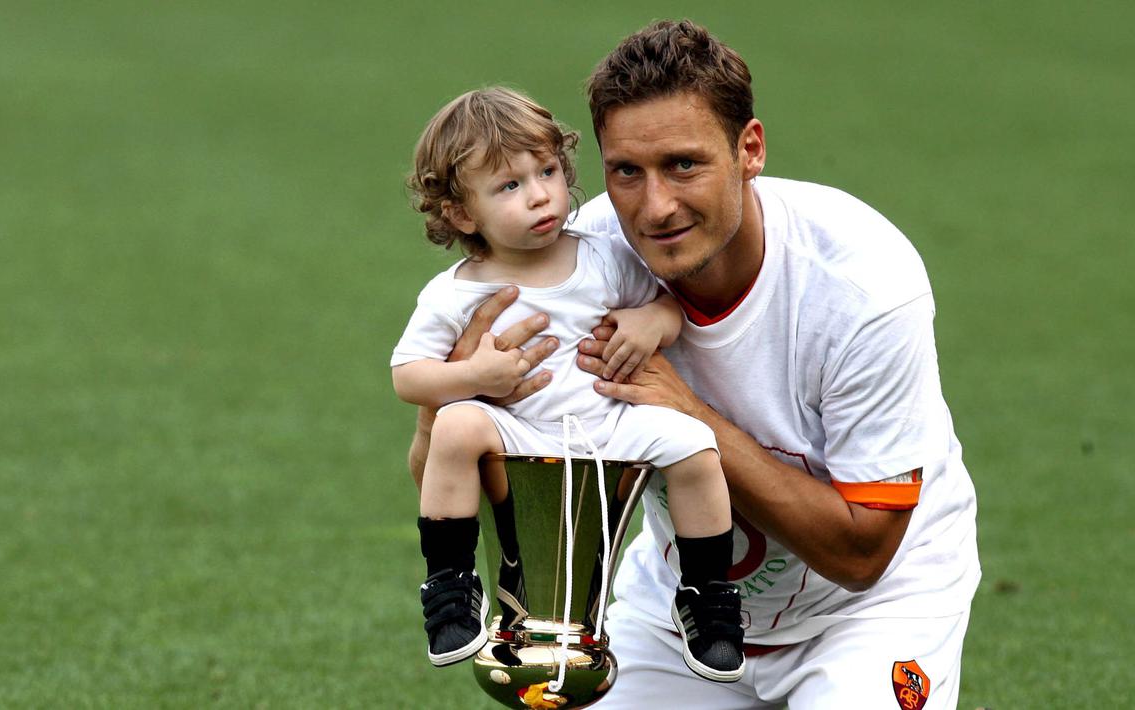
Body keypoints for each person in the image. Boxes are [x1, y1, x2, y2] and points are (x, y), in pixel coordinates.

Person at [408, 21, 981, 709]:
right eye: (626, 171)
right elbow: (460, 465)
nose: (654, 207)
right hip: (674, 617)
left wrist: (686, 412)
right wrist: (449, 408)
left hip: (869, 613)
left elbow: (862, 554)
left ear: (749, 149)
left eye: (683, 164)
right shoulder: (569, 267)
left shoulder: (860, 289)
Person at [391, 86, 746, 681]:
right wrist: (473, 376)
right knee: (455, 422)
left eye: (548, 171)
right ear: (461, 212)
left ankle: (707, 599)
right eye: (510, 185)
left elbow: (668, 311)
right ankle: (451, 590)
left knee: (694, 444)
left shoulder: (603, 256)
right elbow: (408, 375)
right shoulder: (454, 291)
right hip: (517, 432)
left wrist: (647, 322)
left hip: (608, 422)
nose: (539, 195)